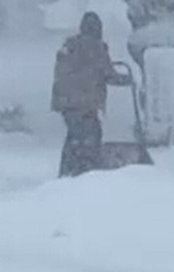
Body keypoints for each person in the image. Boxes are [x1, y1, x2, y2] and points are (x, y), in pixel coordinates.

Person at [51, 11, 129, 177]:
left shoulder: (68, 47)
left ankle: (68, 170)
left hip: (65, 103)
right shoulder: (96, 47)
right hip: (85, 103)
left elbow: (63, 73)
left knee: (74, 136)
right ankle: (86, 171)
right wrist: (126, 80)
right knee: (91, 135)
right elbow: (108, 74)